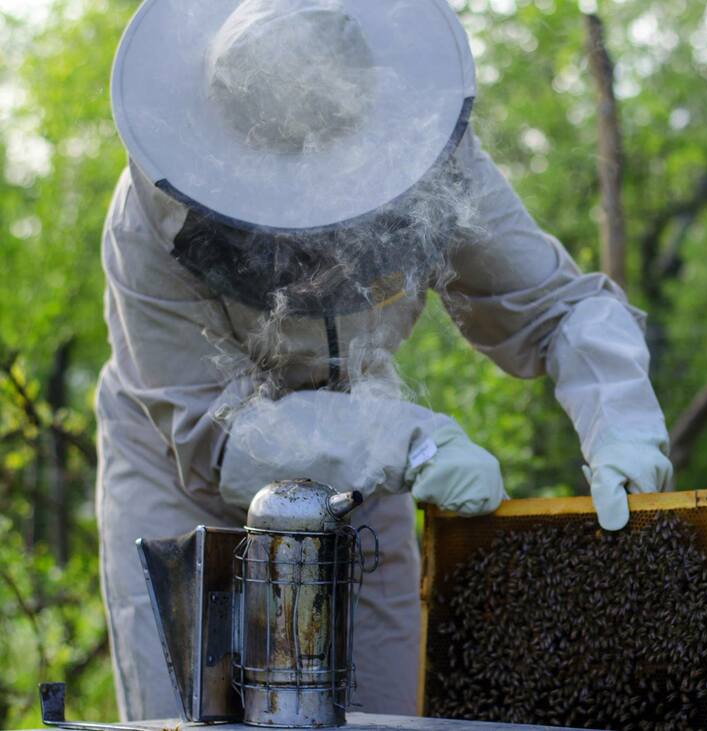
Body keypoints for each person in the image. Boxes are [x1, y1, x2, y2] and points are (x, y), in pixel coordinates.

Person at [99, 0, 673, 720]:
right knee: (186, 714)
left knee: (388, 707)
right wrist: (404, 439)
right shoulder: (150, 219)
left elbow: (555, 304)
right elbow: (213, 434)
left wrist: (621, 422)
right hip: (183, 484)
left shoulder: (433, 161)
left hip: (364, 485)